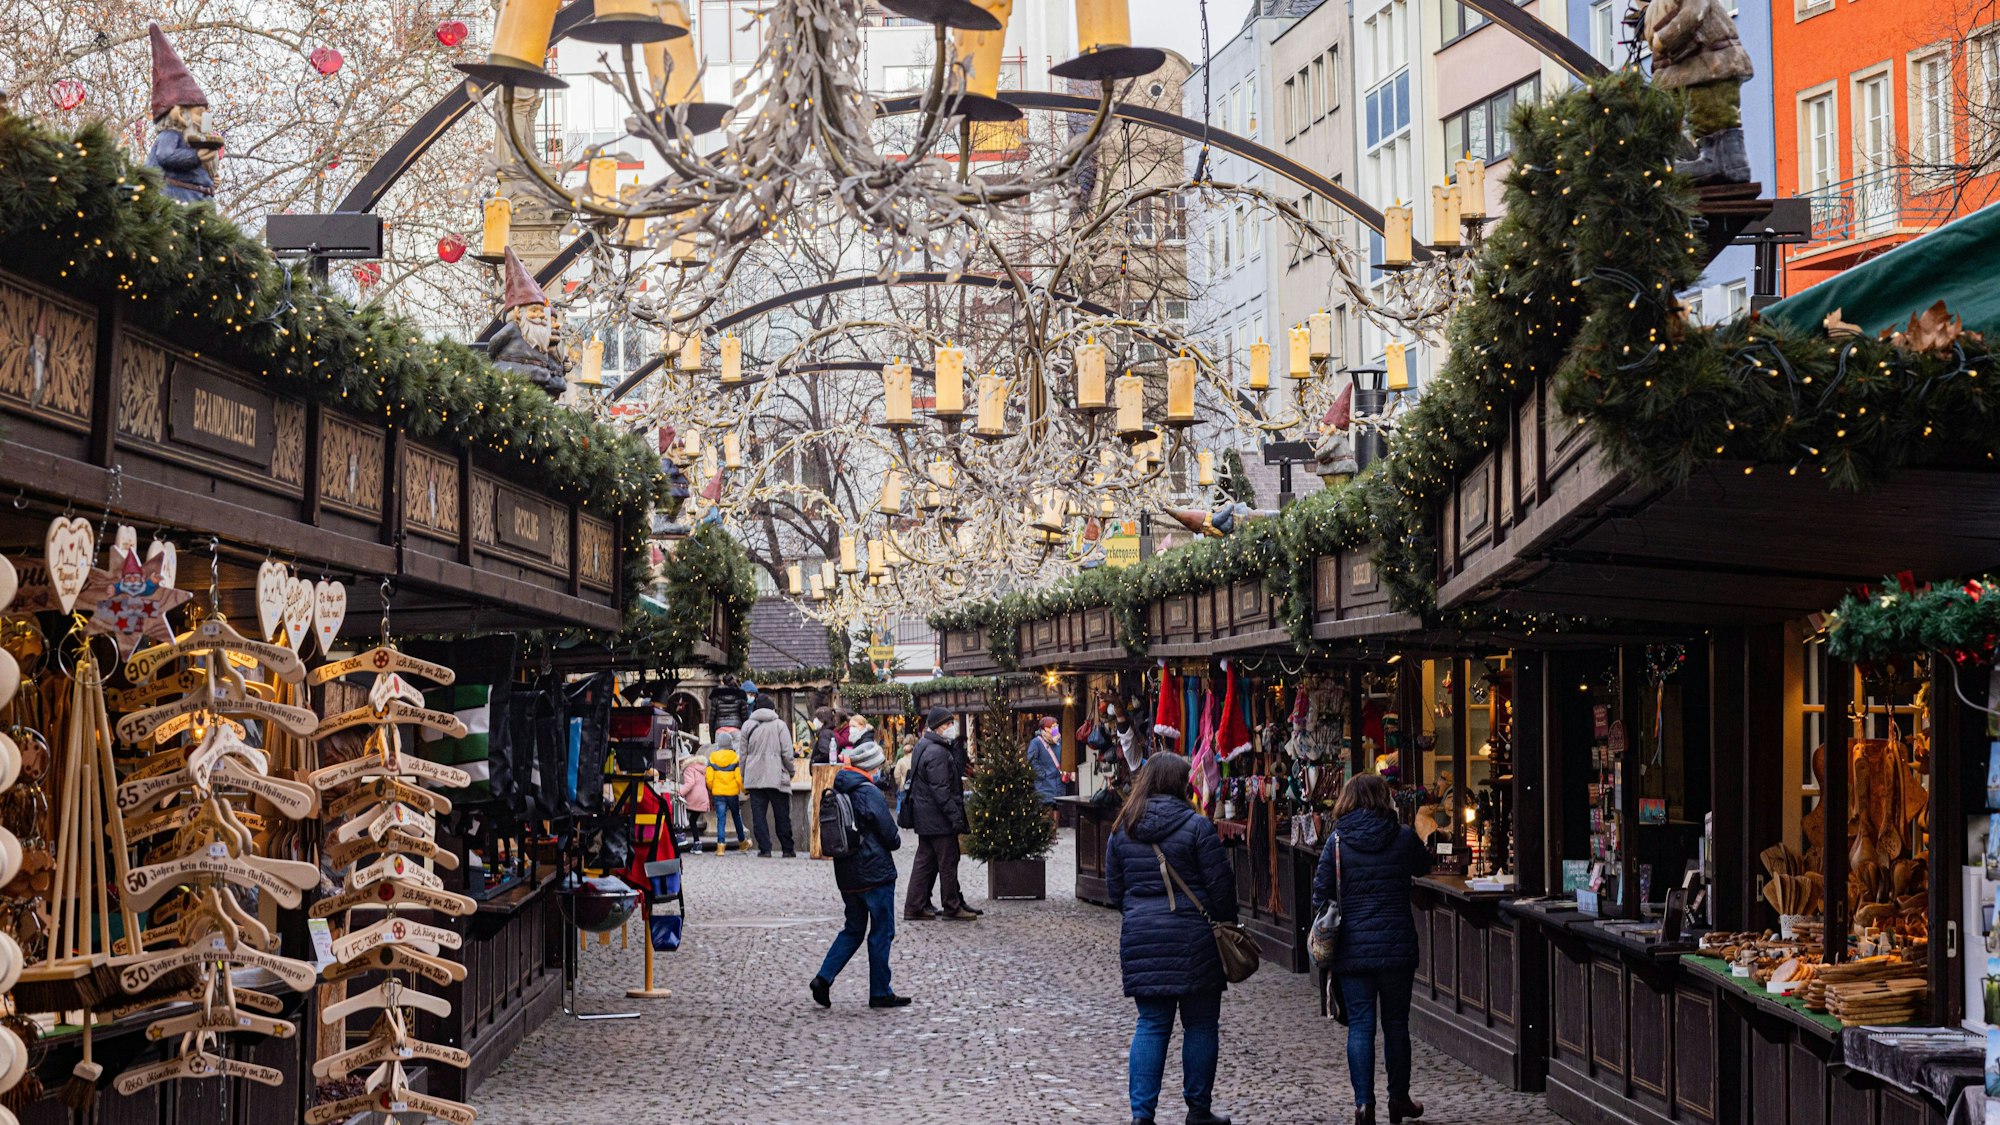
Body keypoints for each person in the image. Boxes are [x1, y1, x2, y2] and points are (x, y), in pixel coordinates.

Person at [1105, 752, 1236, 1125]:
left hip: (1142, 938)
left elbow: (1115, 891)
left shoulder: (1122, 829)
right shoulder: (1197, 827)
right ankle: (1198, 1111)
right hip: (1195, 938)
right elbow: (1221, 889)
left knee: (1151, 1023)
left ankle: (1142, 1115)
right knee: (1201, 1024)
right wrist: (1224, 922)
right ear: (1179, 784)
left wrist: (1140, 915)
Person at [1311, 773, 1433, 1125]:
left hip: (1353, 949)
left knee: (1361, 1025)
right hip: (1395, 946)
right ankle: (1399, 1098)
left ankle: (1364, 1105)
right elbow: (1424, 866)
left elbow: (1321, 895)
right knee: (1396, 1024)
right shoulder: (1402, 836)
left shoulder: (1336, 841)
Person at [808, 737, 911, 1009]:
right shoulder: (868, 792)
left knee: (853, 929)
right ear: (871, 767)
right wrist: (894, 841)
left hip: (847, 873)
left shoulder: (838, 787)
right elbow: (890, 834)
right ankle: (880, 991)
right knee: (881, 931)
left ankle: (823, 978)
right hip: (875, 873)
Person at [903, 707, 977, 922]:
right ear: (937, 727)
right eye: (948, 724)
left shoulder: (924, 746)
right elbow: (941, 790)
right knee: (947, 862)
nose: (951, 728)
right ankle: (951, 906)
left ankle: (915, 905)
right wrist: (955, 817)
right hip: (938, 818)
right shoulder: (937, 752)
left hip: (927, 817)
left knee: (925, 862)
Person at [740, 700, 798, 858]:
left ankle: (765, 849)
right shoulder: (780, 725)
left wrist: (744, 775)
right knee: (782, 815)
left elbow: (743, 755)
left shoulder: (747, 726)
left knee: (758, 816)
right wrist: (791, 771)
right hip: (776, 776)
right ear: (772, 709)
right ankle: (787, 849)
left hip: (754, 777)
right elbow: (787, 752)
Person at [703, 733, 746, 854]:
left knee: (721, 819)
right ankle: (742, 842)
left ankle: (720, 846)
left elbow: (709, 779)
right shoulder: (735, 757)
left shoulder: (712, 757)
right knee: (736, 816)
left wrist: (712, 788)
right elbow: (739, 778)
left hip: (718, 793)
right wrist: (744, 790)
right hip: (732, 793)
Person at [1027, 715, 1065, 824]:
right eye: (1052, 727)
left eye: (1056, 726)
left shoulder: (1059, 741)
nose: (1055, 729)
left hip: (1058, 781)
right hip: (1044, 783)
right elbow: (1032, 760)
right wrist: (1042, 774)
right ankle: (1047, 831)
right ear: (1044, 729)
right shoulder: (1036, 742)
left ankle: (1054, 831)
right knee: (1046, 807)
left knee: (1057, 806)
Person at [678, 748, 712, 846]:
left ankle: (680, 836)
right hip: (702, 798)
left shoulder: (688, 769)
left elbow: (690, 783)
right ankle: (697, 843)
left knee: (680, 815)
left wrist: (679, 792)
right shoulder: (700, 767)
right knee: (693, 821)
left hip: (693, 798)